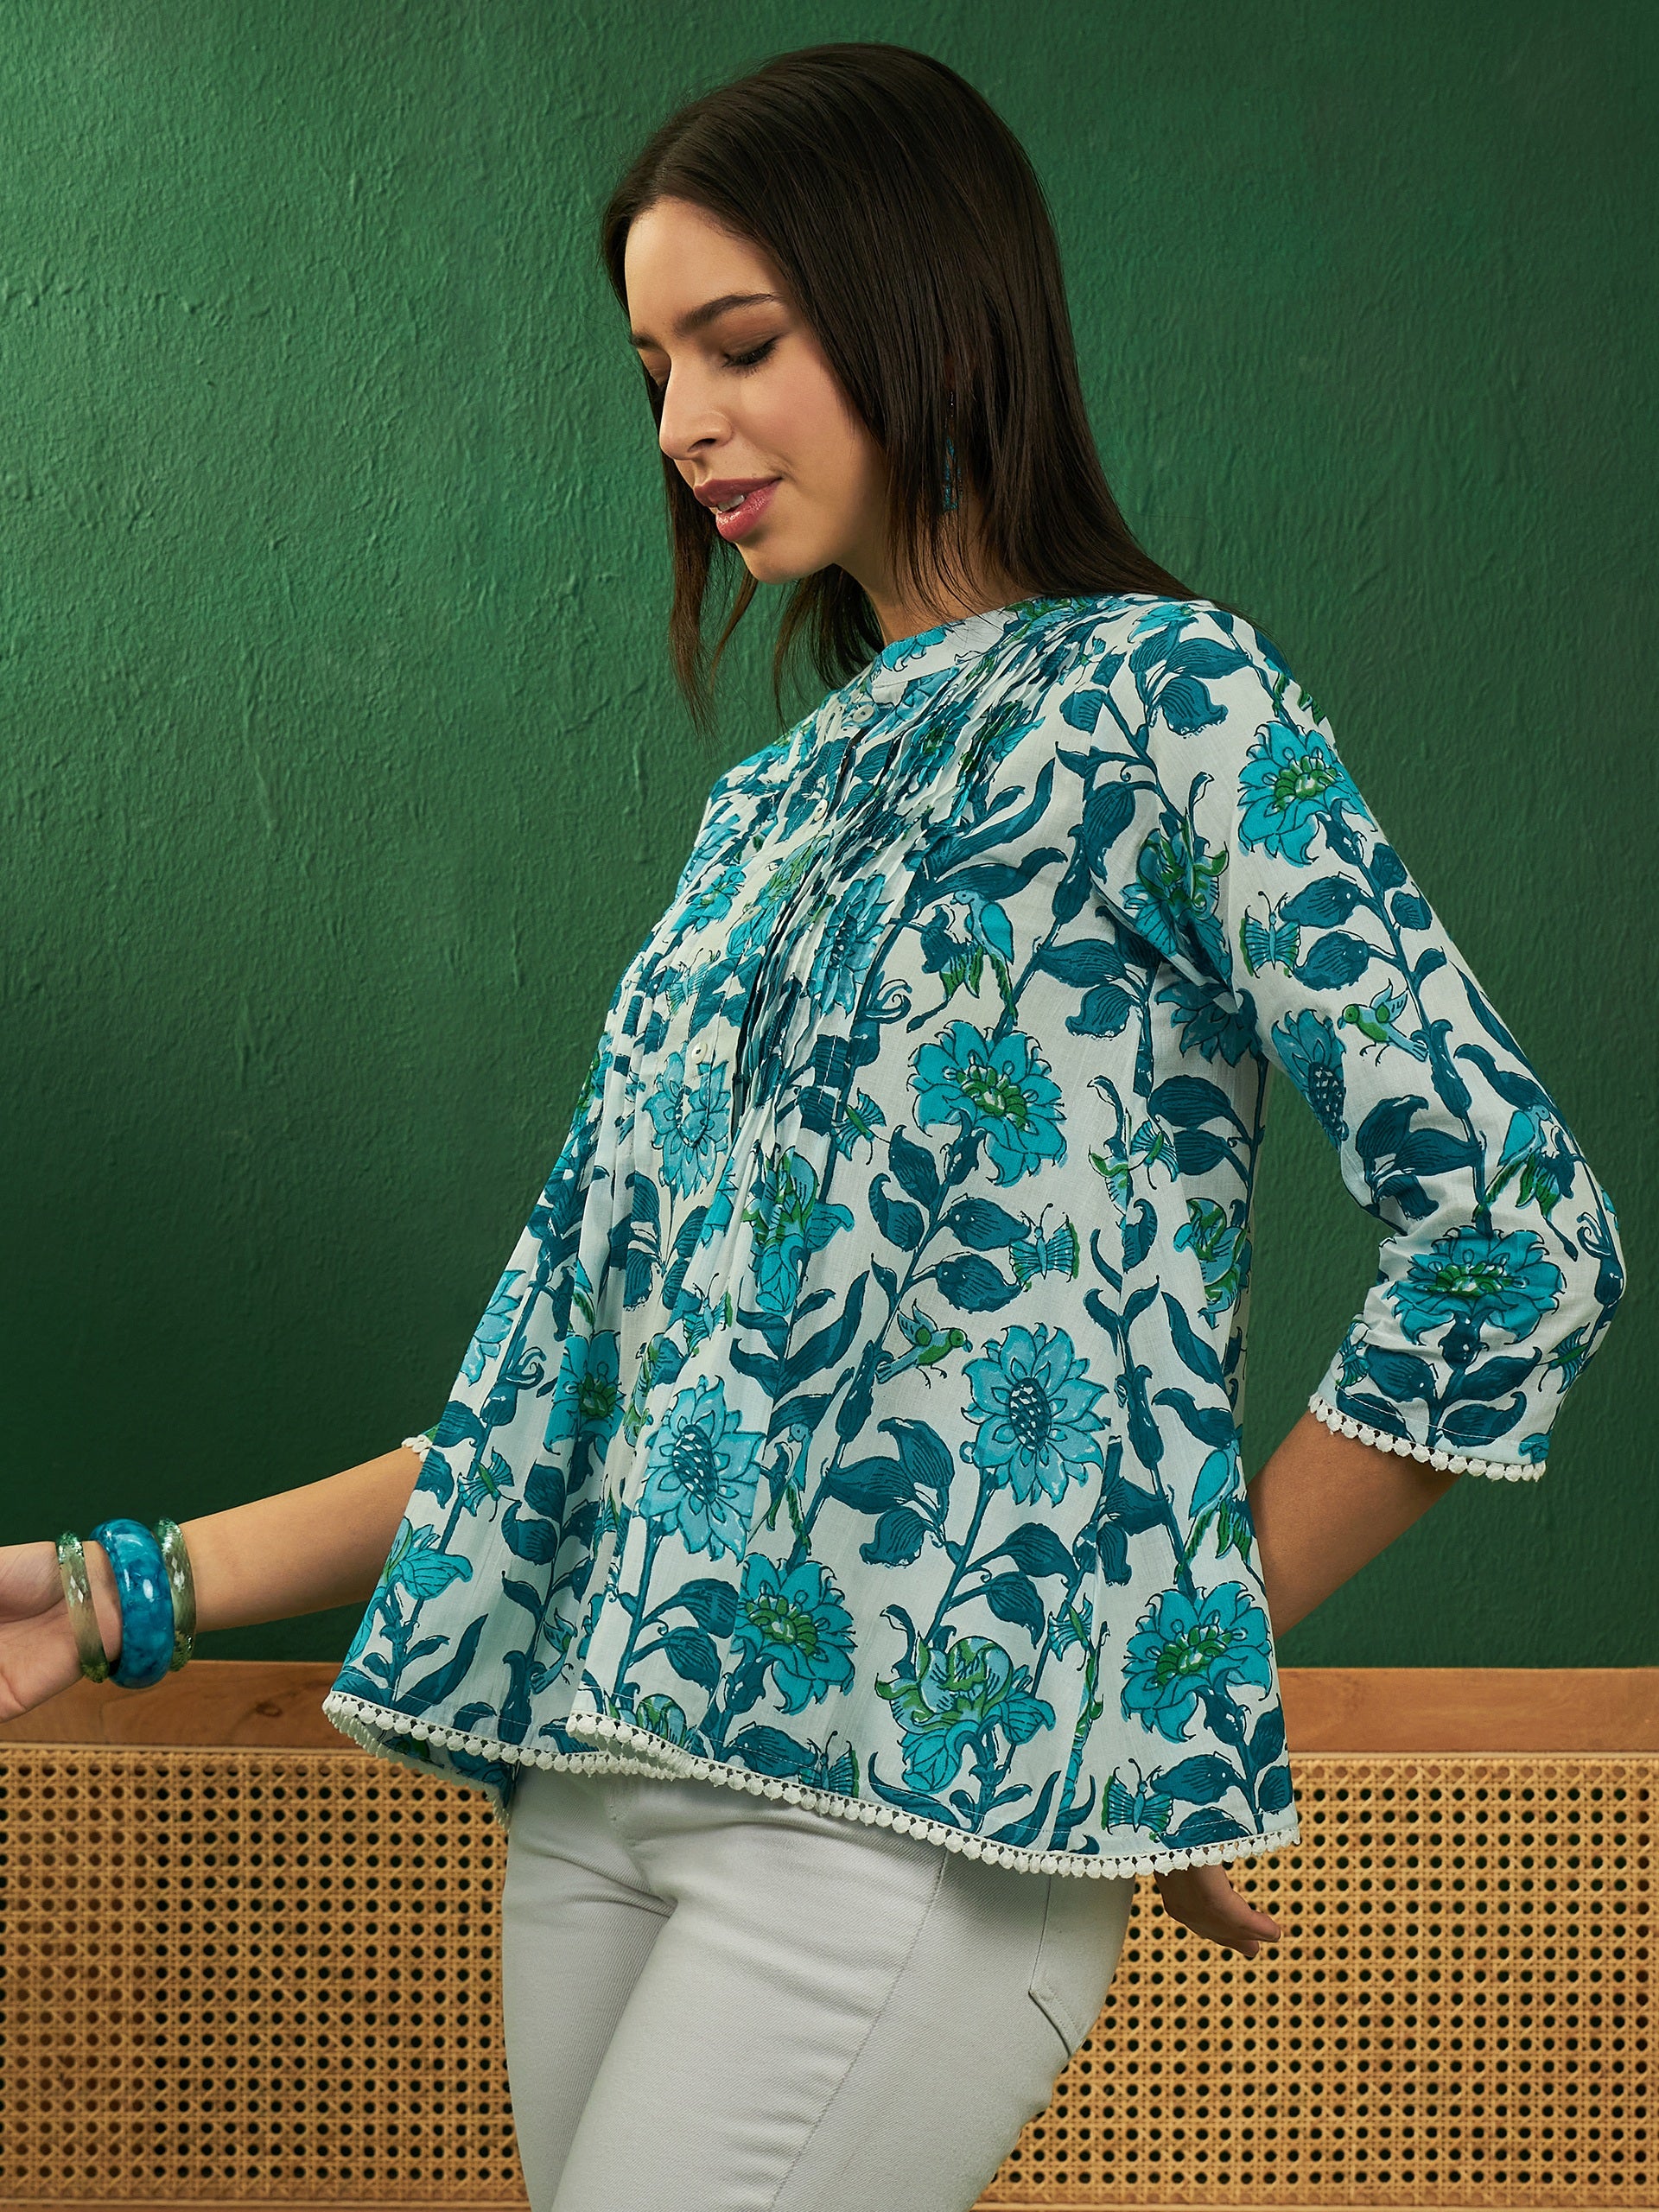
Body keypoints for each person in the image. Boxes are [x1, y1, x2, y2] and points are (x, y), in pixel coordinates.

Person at [0, 41, 1626, 2212]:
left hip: (914, 1824)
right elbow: (573, 1384)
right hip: (602, 1786)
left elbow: (1518, 1236)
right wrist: (120, 1587)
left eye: (740, 342)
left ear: (927, 311)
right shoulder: (761, 814)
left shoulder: (1170, 699)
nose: (684, 421)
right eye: (654, 367)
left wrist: (1177, 1670)